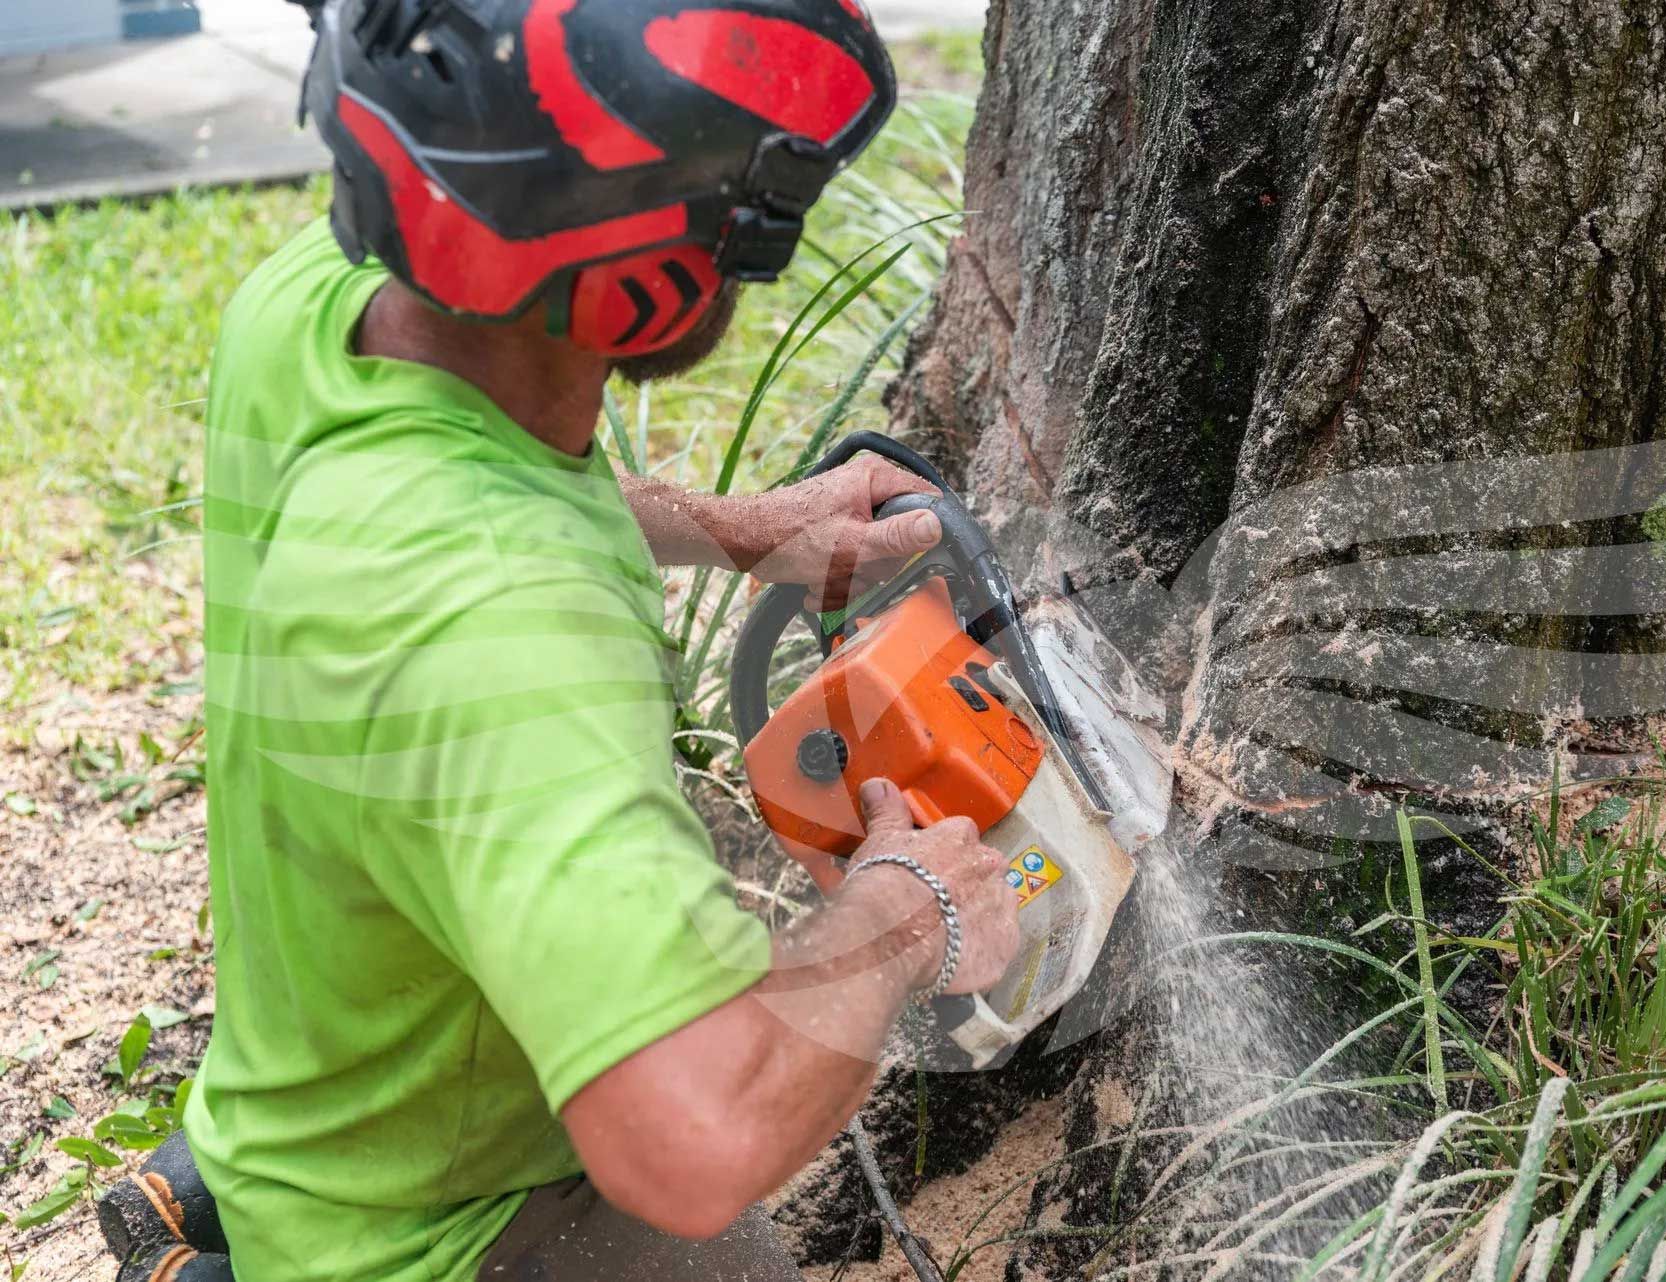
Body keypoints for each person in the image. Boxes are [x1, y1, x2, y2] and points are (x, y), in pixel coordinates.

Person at [165, 2, 1023, 1279]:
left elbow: (470, 503)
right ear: (641, 281)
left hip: (324, 1136)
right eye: (750, 210)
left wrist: (746, 529)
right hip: (434, 1242)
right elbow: (690, 1141)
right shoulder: (507, 637)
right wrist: (909, 917)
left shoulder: (311, 313)